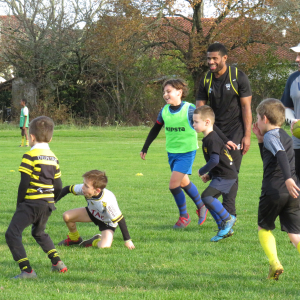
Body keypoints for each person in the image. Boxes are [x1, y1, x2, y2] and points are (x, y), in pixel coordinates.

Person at [140, 78, 209, 229]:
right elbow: (155, 129)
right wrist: (145, 147)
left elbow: (205, 126)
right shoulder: (164, 111)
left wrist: (212, 143)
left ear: (179, 92)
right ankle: (201, 206)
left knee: (173, 185)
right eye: (164, 92)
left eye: (169, 91)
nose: (165, 94)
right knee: (184, 182)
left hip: (186, 152)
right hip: (172, 153)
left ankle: (184, 216)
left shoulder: (189, 109)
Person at [5, 116, 66, 279]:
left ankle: (27, 271)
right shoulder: (54, 158)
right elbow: (59, 185)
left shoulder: (30, 156)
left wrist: (20, 204)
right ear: (51, 138)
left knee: (12, 234)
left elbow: (24, 183)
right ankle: (58, 263)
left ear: (30, 137)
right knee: (39, 232)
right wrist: (51, 200)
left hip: (31, 203)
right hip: (47, 204)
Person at [196, 42, 252, 217]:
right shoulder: (206, 80)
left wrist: (247, 136)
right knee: (222, 171)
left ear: (224, 58)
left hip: (235, 131)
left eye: (215, 58)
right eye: (208, 58)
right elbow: (199, 109)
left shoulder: (238, 77)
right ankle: (215, 206)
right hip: (215, 133)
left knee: (231, 172)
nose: (211, 62)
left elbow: (246, 108)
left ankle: (228, 214)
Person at [252, 98, 300, 280]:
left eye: (257, 117)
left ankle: (274, 263)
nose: (256, 121)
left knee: (263, 227)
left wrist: (287, 178)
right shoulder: (286, 135)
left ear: (264, 118)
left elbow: (279, 155)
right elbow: (269, 159)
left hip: (274, 189)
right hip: (293, 192)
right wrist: (259, 140)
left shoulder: (271, 136)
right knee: (295, 234)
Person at [57, 170, 135, 250]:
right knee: (67, 216)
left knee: (104, 247)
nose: (82, 187)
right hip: (92, 213)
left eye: (86, 186)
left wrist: (127, 240)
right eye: (83, 184)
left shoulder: (108, 200)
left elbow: (120, 219)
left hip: (107, 222)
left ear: (97, 190)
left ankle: (95, 240)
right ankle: (74, 239)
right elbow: (67, 189)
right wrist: (51, 202)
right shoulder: (85, 189)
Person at [193, 106, 237, 241]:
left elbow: (215, 160)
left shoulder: (212, 139)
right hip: (221, 174)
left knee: (206, 196)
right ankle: (225, 229)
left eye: (196, 122)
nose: (193, 124)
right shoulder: (209, 138)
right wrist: (210, 175)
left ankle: (228, 219)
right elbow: (219, 161)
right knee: (208, 200)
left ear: (207, 122)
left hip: (226, 176)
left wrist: (202, 170)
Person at [281, 42, 300, 179]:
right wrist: (293, 120)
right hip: (297, 141)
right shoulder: (292, 79)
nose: (297, 59)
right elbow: (286, 107)